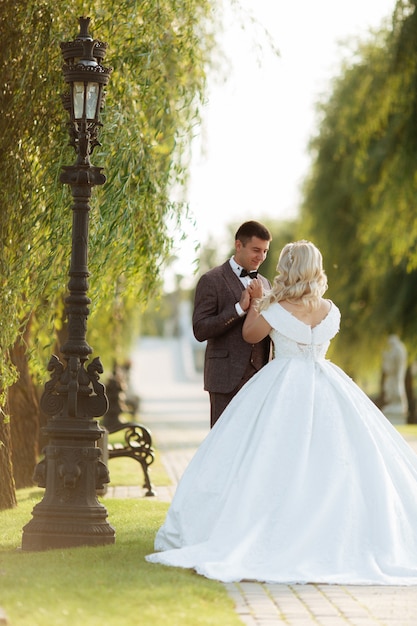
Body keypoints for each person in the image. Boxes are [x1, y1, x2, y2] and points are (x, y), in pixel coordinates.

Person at [146, 240, 417, 585]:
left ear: (288, 268)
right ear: (315, 268)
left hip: (283, 383)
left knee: (271, 457)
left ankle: (270, 528)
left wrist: (258, 302)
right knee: (333, 461)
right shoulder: (330, 310)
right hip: (326, 382)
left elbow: (249, 334)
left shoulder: (274, 307)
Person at [192, 220, 273, 427]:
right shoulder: (211, 280)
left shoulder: (265, 283)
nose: (261, 257)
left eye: (265, 251)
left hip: (260, 378)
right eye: (256, 250)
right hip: (225, 379)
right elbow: (200, 330)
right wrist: (238, 309)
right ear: (239, 245)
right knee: (222, 445)